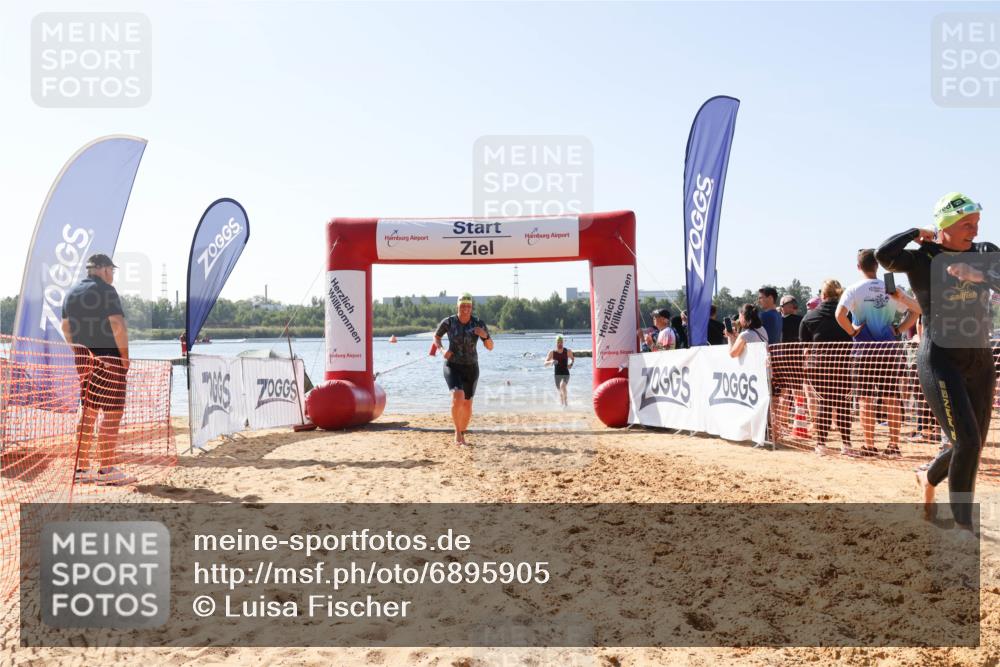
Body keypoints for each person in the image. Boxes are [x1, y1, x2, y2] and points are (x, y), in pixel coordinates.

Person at [876, 192, 996, 531]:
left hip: (980, 357)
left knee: (970, 445)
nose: (973, 231)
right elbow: (883, 255)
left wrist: (979, 277)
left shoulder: (984, 253)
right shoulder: (922, 257)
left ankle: (927, 478)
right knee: (967, 442)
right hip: (940, 357)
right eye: (966, 225)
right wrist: (916, 232)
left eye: (976, 224)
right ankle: (962, 527)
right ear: (944, 226)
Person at [61, 253, 135, 486]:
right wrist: (124, 357)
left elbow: (65, 327)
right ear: (103, 269)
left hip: (84, 360)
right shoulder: (106, 291)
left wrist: (78, 353)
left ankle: (81, 470)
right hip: (109, 359)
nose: (113, 275)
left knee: (88, 412)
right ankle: (106, 470)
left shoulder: (71, 293)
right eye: (112, 270)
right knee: (112, 414)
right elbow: (117, 324)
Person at [836, 249, 919, 458]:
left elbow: (839, 315)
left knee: (865, 399)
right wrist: (899, 329)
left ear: (858, 267)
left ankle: (870, 445)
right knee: (892, 397)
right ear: (878, 266)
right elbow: (916, 310)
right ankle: (893, 445)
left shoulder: (854, 289)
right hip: (889, 351)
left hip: (863, 352)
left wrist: (852, 331)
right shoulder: (890, 287)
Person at [799, 280, 854, 455]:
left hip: (819, 366)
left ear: (822, 295)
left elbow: (804, 344)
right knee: (842, 403)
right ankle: (846, 444)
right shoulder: (848, 314)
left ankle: (821, 444)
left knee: (825, 402)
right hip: (843, 365)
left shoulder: (810, 317)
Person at [433, 293, 495, 446]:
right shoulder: (449, 322)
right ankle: (457, 432)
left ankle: (462, 431)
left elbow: (490, 347)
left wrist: (485, 336)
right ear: (458, 307)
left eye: (468, 306)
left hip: (471, 368)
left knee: (467, 404)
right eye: (462, 306)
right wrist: (442, 350)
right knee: (457, 396)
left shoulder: (478, 323)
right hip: (452, 365)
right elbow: (436, 337)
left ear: (471, 307)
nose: (465, 309)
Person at [770, 295, 805, 439]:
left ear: (791, 306)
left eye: (783, 305)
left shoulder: (780, 320)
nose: (781, 307)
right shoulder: (802, 319)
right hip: (795, 359)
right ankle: (789, 424)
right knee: (792, 394)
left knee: (788, 394)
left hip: (785, 359)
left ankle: (786, 424)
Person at [544, 335, 575, 406]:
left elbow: (572, 358)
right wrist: (551, 362)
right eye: (558, 342)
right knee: (560, 393)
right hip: (557, 375)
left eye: (561, 342)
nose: (560, 344)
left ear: (563, 343)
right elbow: (545, 363)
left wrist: (571, 364)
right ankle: (563, 407)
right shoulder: (552, 353)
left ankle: (566, 403)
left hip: (566, 373)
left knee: (562, 386)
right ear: (556, 343)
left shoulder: (567, 351)